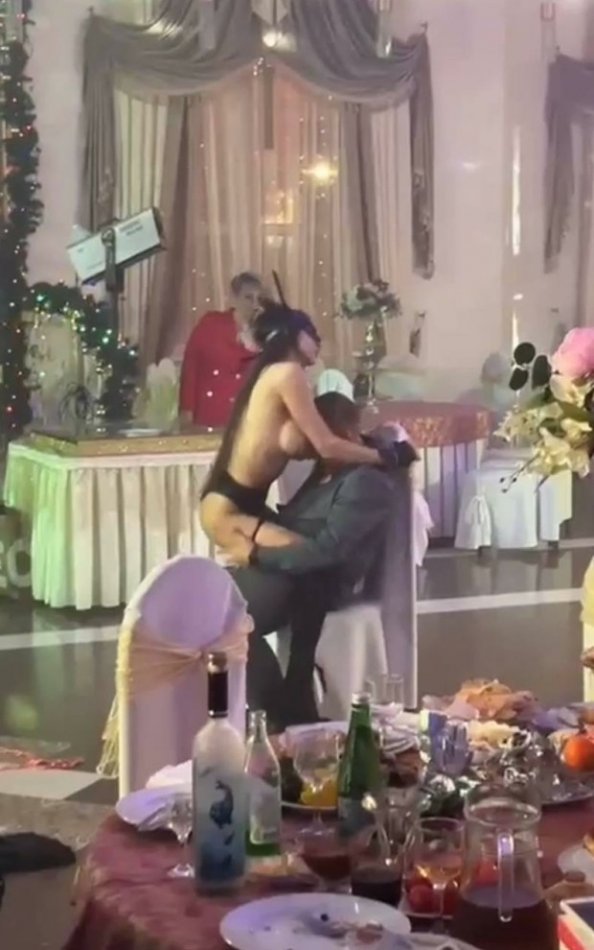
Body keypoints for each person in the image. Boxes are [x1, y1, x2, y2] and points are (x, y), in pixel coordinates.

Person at [227, 393, 409, 728]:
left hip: (318, 582)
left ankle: (275, 713)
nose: (314, 447)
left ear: (347, 435)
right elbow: (296, 524)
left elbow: (329, 551)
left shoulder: (366, 480)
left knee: (228, 620)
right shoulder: (325, 472)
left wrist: (256, 554)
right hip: (291, 573)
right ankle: (273, 709)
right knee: (214, 604)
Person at [200, 302, 415, 553]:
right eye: (311, 332)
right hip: (228, 513)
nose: (318, 341)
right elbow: (326, 446)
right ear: (292, 335)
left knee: (314, 557)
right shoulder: (287, 373)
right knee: (314, 555)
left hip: (238, 507)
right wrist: (386, 456)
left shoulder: (273, 374)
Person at [179, 271, 263, 428]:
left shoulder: (263, 333)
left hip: (247, 417)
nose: (254, 304)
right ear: (234, 299)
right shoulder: (211, 324)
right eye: (248, 297)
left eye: (259, 299)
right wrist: (187, 409)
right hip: (211, 412)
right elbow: (191, 365)